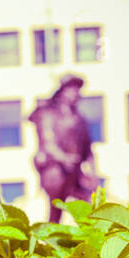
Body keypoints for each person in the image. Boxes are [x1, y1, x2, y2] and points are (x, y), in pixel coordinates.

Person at [29, 74, 100, 223]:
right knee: (56, 207)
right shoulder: (48, 114)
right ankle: (50, 237)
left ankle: (89, 236)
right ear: (62, 92)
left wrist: (93, 172)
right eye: (72, 90)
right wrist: (64, 158)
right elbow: (48, 142)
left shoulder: (79, 119)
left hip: (75, 171)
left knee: (90, 202)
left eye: (77, 90)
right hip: (55, 168)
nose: (76, 94)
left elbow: (88, 148)